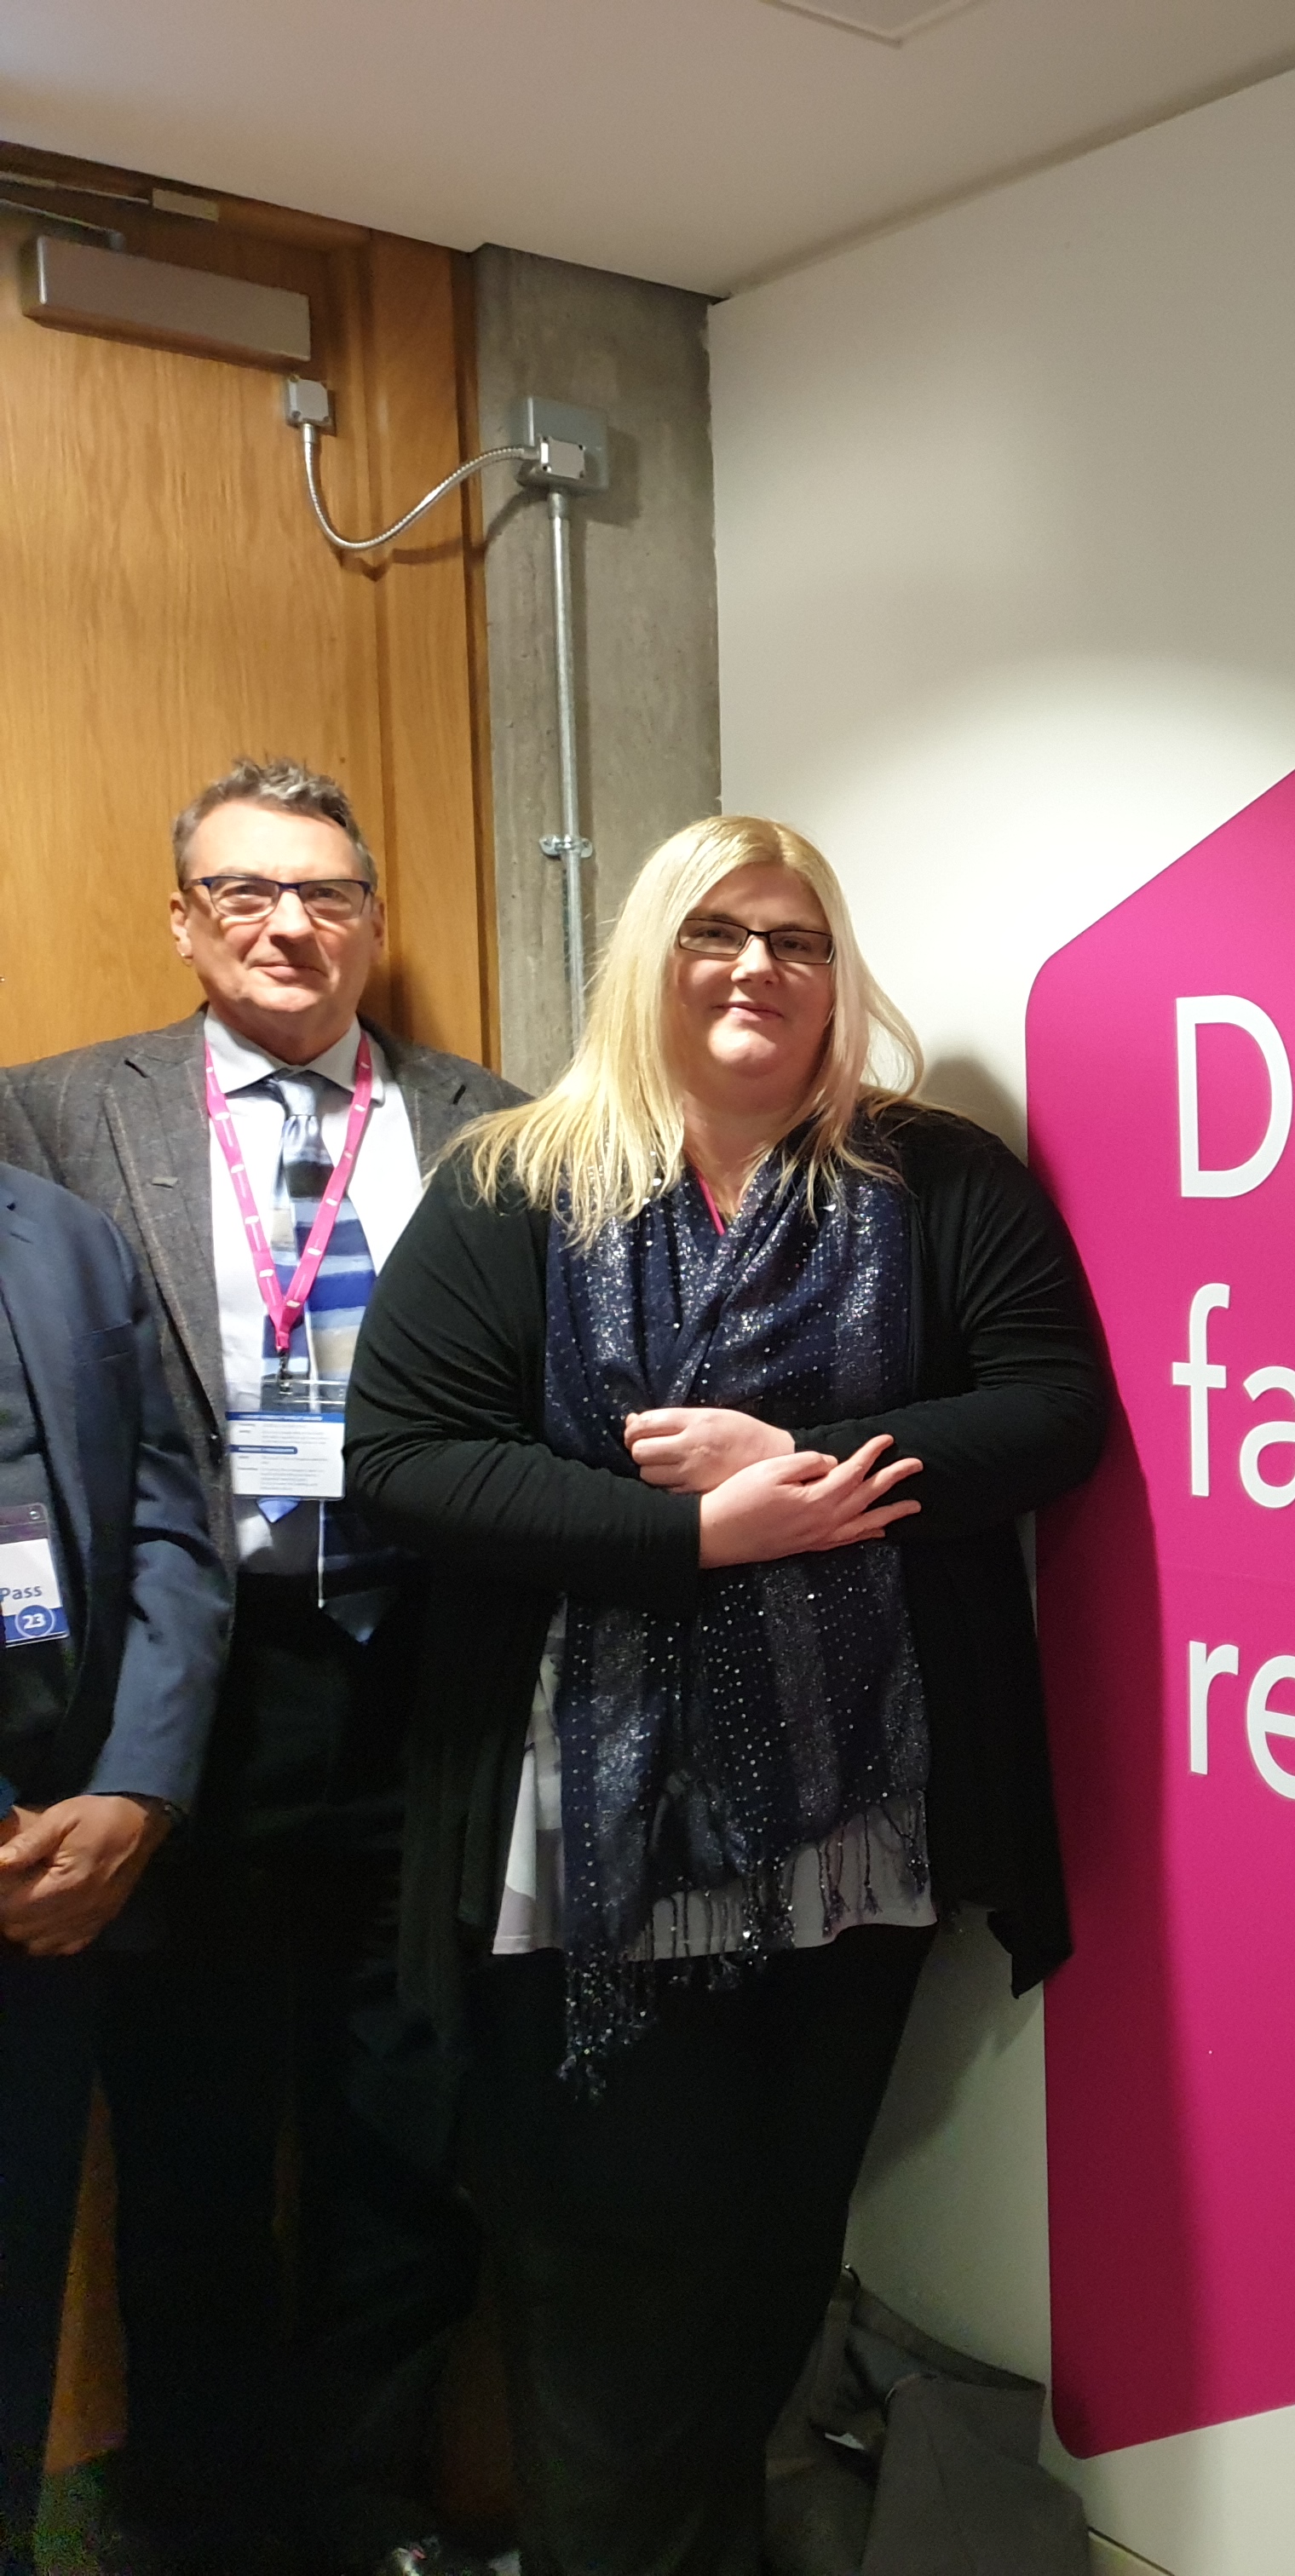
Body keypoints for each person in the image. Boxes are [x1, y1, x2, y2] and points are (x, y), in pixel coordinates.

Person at [344, 814, 1106, 2576]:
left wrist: (807, 1461)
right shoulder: (515, 1183)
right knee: (610, 2297)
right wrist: (691, 1538)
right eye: (715, 932)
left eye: (797, 937)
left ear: (840, 977)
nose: (757, 968)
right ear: (647, 962)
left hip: (853, 1840)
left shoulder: (938, 1182)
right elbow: (409, 1460)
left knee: (770, 2262)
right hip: (587, 1861)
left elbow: (1051, 1410)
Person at [6, 758, 521, 2576]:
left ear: (375, 921)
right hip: (184, 1700)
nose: (289, 926)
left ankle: (368, 2499)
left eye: (324, 895)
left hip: (430, 1685)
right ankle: (204, 2515)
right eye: (245, 894)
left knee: (406, 2116)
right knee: (192, 2131)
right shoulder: (57, 1117)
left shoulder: (502, 1122)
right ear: (183, 920)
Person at [0, 1141, 231, 2576]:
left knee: (16, 2275)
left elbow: (164, 1522)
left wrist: (137, 1790)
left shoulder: (66, 1235)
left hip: (53, 1869)